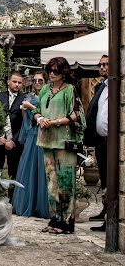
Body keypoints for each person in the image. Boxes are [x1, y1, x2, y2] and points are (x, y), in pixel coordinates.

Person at [33, 57, 82, 235]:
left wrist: (56, 122)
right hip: (46, 140)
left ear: (64, 72)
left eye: (56, 71)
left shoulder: (70, 90)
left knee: (66, 181)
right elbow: (36, 109)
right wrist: (40, 118)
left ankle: (67, 222)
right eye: (50, 70)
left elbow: (76, 115)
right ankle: (55, 218)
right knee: (51, 181)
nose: (52, 74)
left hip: (64, 141)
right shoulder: (45, 89)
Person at [12, 72, 50, 218]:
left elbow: (48, 114)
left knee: (42, 170)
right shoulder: (28, 97)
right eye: (35, 80)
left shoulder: (48, 96)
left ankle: (42, 206)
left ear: (45, 82)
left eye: (40, 80)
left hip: (46, 136)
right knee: (28, 169)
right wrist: (24, 110)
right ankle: (27, 203)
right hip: (32, 135)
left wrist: (32, 107)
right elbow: (26, 122)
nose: (37, 82)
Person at [84, 54, 109, 231]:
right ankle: (106, 211)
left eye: (106, 64)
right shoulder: (101, 86)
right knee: (105, 178)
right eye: (100, 65)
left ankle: (110, 216)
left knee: (113, 178)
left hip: (114, 142)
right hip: (101, 141)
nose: (102, 68)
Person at [0, 72, 26, 181]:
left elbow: (25, 124)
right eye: (14, 81)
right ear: (8, 82)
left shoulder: (25, 99)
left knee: (14, 173)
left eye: (19, 83)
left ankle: (13, 197)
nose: (17, 85)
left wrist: (13, 141)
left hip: (15, 143)